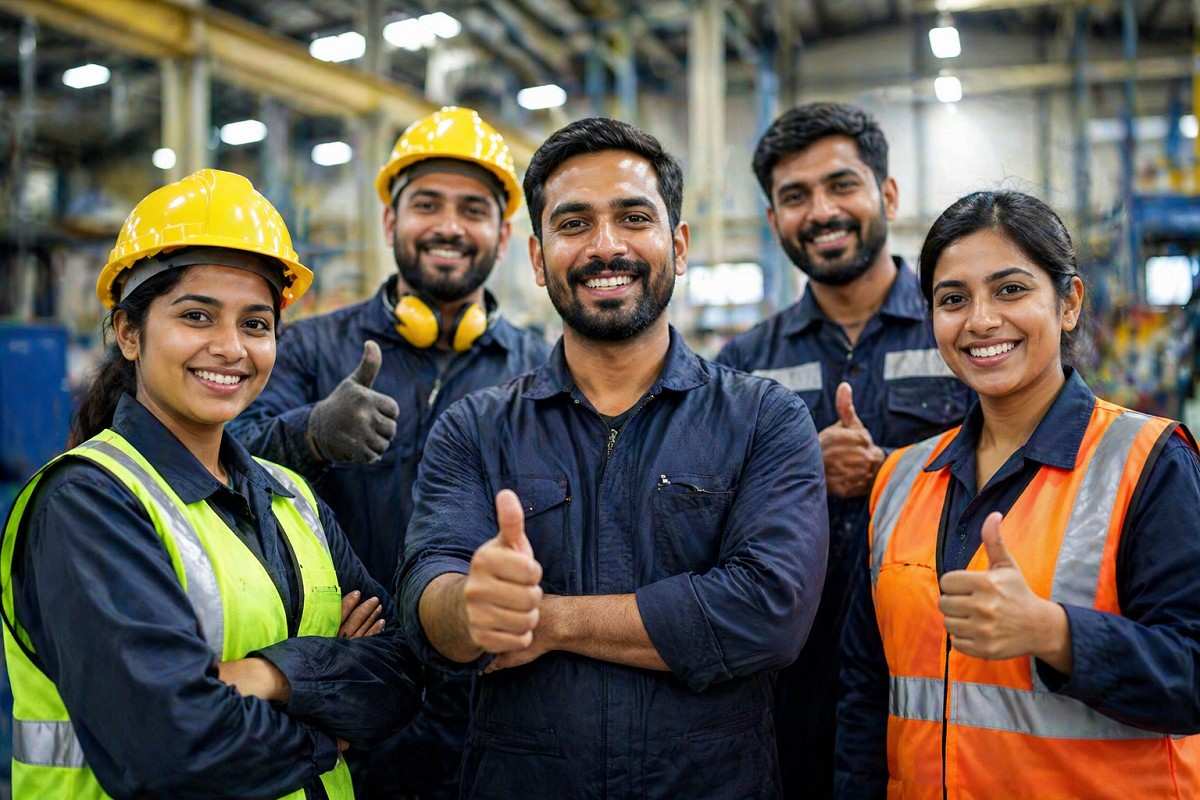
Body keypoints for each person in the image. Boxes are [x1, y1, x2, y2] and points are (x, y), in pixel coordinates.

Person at [396, 117, 829, 799]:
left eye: (633, 218)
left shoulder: (762, 420)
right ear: (538, 261)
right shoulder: (474, 430)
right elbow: (428, 596)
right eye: (573, 225)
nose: (606, 247)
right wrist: (470, 608)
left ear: (677, 246)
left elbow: (770, 615)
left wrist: (552, 621)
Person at [0, 169, 420, 799]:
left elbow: (400, 675)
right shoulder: (87, 504)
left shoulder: (291, 496)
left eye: (255, 324)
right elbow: (172, 749)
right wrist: (324, 732)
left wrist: (267, 677)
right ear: (129, 332)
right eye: (197, 316)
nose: (231, 347)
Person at [836, 190, 1200, 798]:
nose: (980, 320)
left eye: (1010, 289)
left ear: (1068, 303)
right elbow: (865, 692)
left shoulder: (1148, 462)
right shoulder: (899, 479)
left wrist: (1057, 634)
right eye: (953, 299)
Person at [230, 106, 550, 797]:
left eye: (473, 209)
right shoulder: (310, 350)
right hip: (348, 684)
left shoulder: (540, 370)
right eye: (426, 204)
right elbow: (219, 463)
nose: (448, 226)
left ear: (502, 232)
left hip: (493, 707)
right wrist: (307, 434)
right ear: (389, 223)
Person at [715, 102, 970, 797]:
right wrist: (802, 473)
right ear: (773, 222)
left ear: (886, 194)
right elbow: (709, 519)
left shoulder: (961, 331)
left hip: (945, 660)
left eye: (841, 185)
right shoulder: (742, 364)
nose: (821, 211)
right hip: (794, 679)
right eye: (795, 197)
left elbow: (1018, 473)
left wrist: (891, 473)